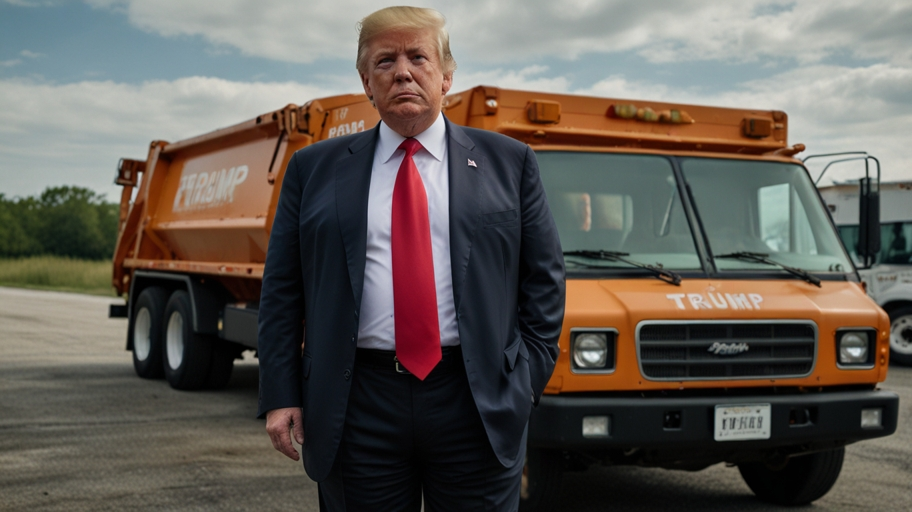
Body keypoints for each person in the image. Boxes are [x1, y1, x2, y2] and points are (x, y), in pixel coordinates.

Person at [256, 5, 565, 511]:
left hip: (477, 400)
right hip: (357, 403)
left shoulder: (509, 163)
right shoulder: (313, 169)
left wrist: (523, 381)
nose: (402, 71)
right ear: (365, 82)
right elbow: (282, 291)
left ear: (446, 76)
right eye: (385, 61)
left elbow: (544, 282)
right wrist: (281, 393)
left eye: (418, 57)